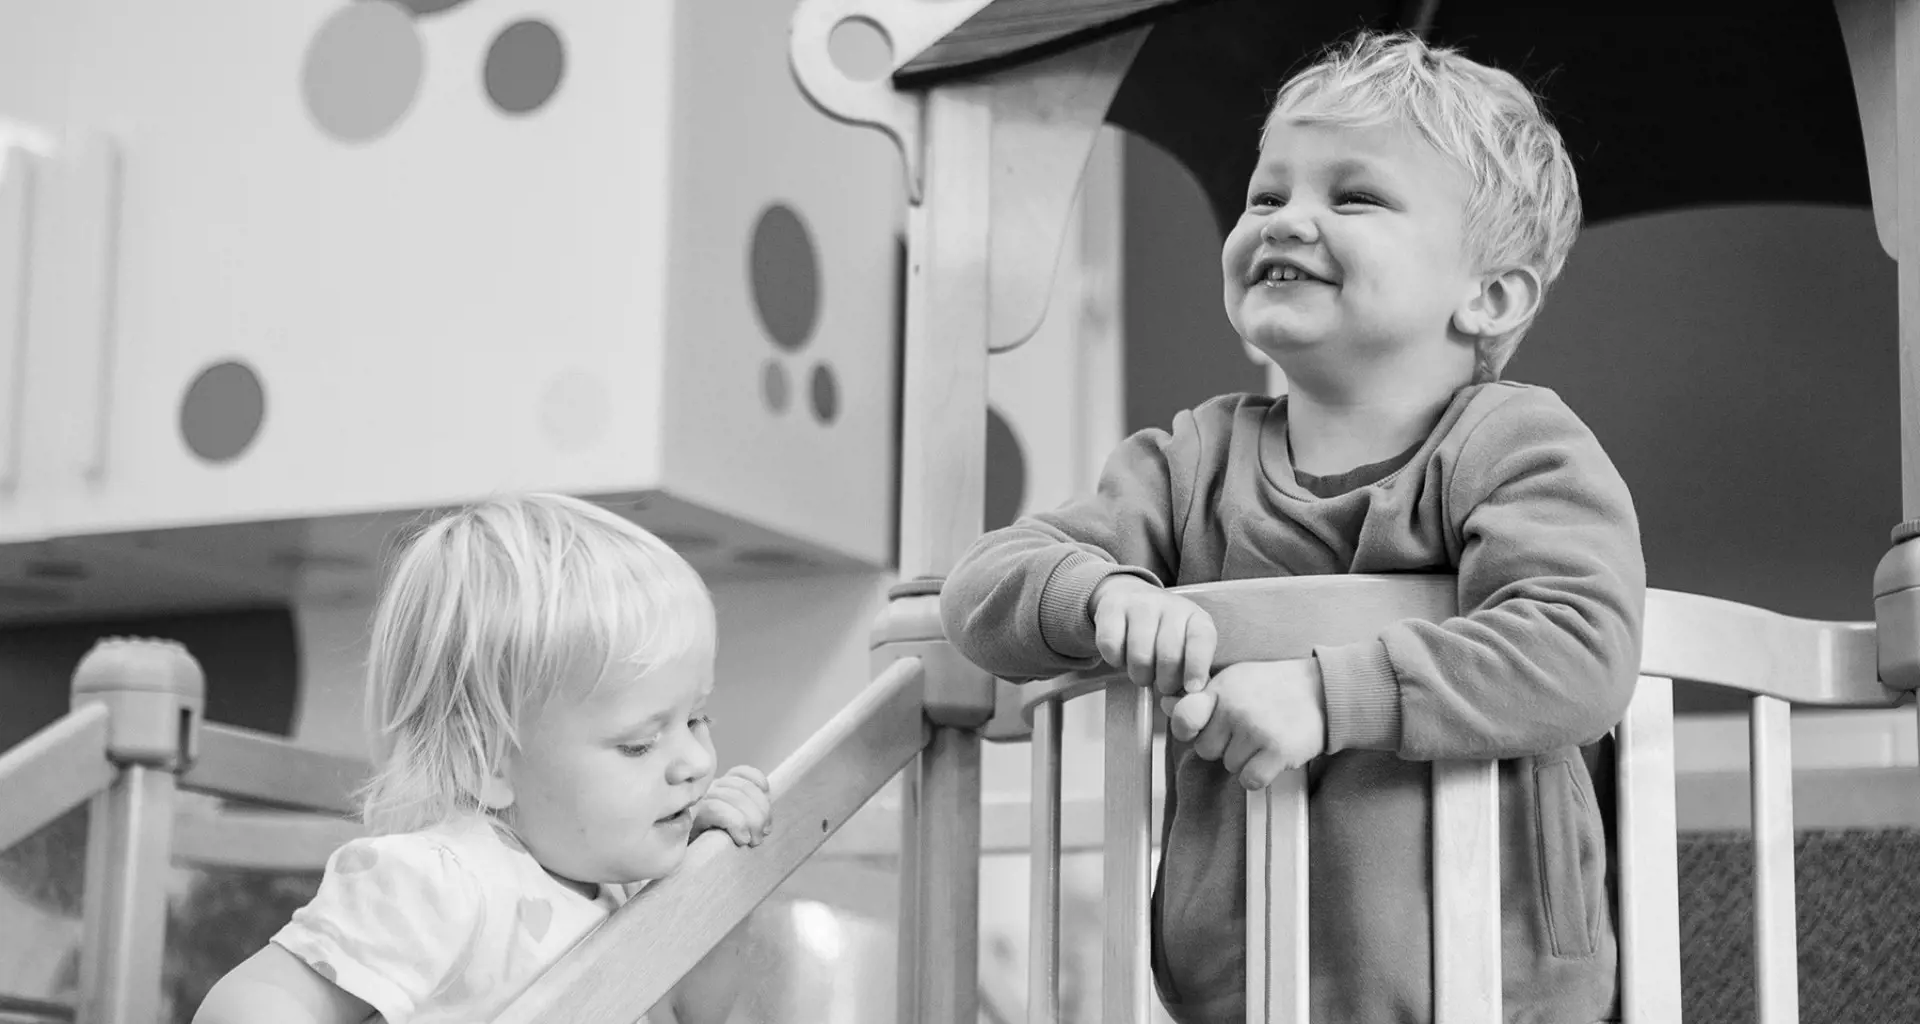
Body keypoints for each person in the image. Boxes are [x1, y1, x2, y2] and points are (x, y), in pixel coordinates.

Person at [941, 31, 1644, 1024]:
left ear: (1489, 295)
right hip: (1244, 981)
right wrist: (1103, 594)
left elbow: (1578, 645)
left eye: (1351, 197)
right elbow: (982, 589)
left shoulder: (1515, 445)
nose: (1289, 220)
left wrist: (1326, 691)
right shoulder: (1195, 461)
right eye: (1267, 196)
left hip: (1492, 979)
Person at [194, 493, 772, 1024]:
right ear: (488, 764)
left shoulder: (618, 882)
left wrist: (715, 889)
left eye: (698, 718)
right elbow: (249, 1005)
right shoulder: (445, 881)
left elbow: (697, 1015)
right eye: (639, 744)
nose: (694, 760)